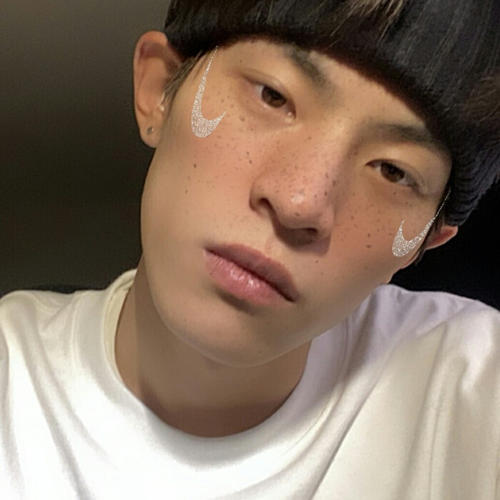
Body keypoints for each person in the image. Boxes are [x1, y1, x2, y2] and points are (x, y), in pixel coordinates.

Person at [1, 0, 499, 498]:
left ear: (423, 244)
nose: (299, 202)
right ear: (159, 89)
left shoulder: (470, 388)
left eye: (392, 171)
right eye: (272, 96)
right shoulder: (14, 378)